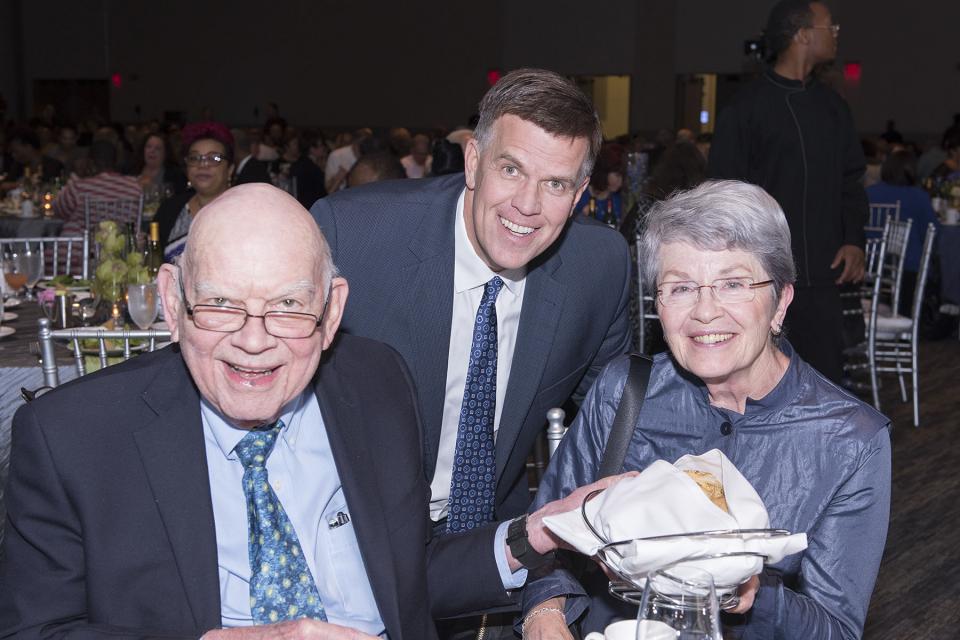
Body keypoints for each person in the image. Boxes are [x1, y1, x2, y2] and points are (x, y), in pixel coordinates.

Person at [0, 182, 620, 638]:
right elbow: (37, 632)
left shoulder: (375, 383)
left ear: (331, 312)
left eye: (289, 307)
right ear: (170, 298)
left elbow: (407, 576)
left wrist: (532, 535)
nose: (253, 339)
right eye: (219, 302)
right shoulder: (72, 438)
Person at [312, 68, 632, 637]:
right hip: (352, 554)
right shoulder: (353, 239)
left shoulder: (598, 269)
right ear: (473, 161)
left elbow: (618, 428)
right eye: (511, 169)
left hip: (498, 558)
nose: (527, 205)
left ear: (580, 194)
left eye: (556, 184)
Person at [522, 180, 891, 639]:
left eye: (733, 284)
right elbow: (546, 533)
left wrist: (750, 590)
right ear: (658, 304)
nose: (705, 311)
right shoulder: (625, 391)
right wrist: (545, 614)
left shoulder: (850, 440)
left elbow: (836, 630)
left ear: (780, 301)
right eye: (680, 288)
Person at [708, 0, 868, 384]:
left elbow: (852, 179)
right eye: (830, 27)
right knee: (760, 381)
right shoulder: (746, 106)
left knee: (824, 381)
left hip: (824, 273)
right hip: (765, 276)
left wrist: (854, 240)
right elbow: (723, 191)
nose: (835, 35)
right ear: (802, 35)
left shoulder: (833, 107)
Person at [866, 149, 940, 315]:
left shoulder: (869, 193)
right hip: (908, 267)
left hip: (871, 264)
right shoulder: (919, 197)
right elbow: (931, 232)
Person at [154, 121, 234, 261]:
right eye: (194, 158)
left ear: (230, 170)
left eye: (214, 158)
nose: (203, 164)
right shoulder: (169, 209)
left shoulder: (242, 212)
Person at [53, 139, 143, 238]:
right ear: (116, 161)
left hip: (82, 250)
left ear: (91, 163)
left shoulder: (79, 187)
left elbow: (58, 210)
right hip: (121, 250)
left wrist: (77, 178)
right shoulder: (134, 187)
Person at [290, 129, 329, 209]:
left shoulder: (300, 163)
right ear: (311, 148)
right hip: (311, 209)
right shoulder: (310, 168)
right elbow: (325, 191)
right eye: (321, 145)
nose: (324, 148)